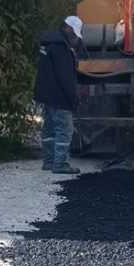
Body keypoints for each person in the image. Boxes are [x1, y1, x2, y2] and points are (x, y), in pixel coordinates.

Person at [33, 16, 83, 175]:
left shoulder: (48, 42)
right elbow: (65, 76)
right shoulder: (61, 46)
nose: (74, 36)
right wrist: (73, 97)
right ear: (67, 27)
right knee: (65, 129)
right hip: (59, 95)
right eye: (74, 32)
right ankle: (60, 164)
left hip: (46, 92)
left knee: (49, 128)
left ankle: (48, 161)